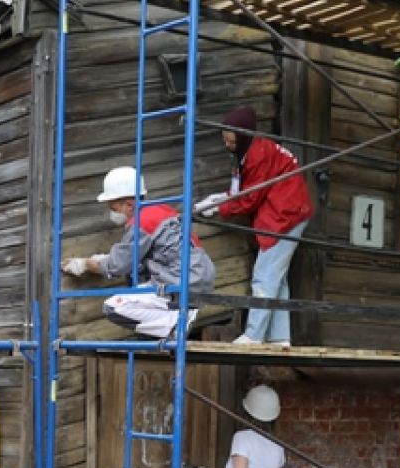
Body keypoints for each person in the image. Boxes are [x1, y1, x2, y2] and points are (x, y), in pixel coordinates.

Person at [195, 107, 313, 348]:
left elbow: (249, 199)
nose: (226, 142)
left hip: (286, 214)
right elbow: (243, 190)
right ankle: (281, 338)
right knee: (276, 279)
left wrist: (220, 207)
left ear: (243, 135)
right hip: (288, 210)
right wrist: (221, 198)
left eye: (230, 138)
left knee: (264, 276)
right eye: (224, 137)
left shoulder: (257, 155)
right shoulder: (249, 151)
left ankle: (254, 335)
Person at [64, 166, 216, 339]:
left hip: (180, 280)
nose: (112, 214)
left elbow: (117, 265)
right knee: (139, 287)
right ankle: (174, 321)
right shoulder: (162, 211)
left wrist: (85, 264)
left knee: (114, 307)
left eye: (114, 209)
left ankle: (175, 321)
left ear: (129, 204)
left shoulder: (142, 221)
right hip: (198, 275)